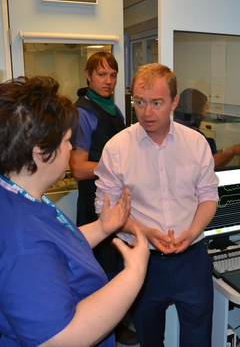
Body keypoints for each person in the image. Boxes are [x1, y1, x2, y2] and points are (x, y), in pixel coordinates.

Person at [0, 76, 149, 346]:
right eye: (67, 141)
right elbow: (60, 338)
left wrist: (101, 227)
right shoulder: (22, 242)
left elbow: (54, 251)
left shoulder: (17, 197)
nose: (70, 148)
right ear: (40, 150)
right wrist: (135, 271)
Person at [94, 63, 219, 347]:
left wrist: (192, 231)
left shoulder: (196, 143)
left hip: (193, 261)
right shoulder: (116, 149)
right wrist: (145, 232)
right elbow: (105, 210)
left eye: (157, 103)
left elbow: (209, 195)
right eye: (139, 102)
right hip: (143, 262)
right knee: (149, 341)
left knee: (199, 341)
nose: (147, 112)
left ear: (174, 102)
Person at [69, 52, 136, 344]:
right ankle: (104, 328)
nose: (108, 81)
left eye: (113, 75)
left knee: (119, 263)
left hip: (115, 202)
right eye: (101, 75)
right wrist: (116, 168)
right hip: (95, 205)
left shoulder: (114, 110)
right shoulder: (83, 113)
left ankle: (118, 321)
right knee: (102, 270)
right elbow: (78, 169)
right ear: (88, 75)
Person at [174, 87, 240, 168]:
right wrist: (233, 151)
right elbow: (212, 163)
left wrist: (225, 151)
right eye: (202, 111)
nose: (204, 115)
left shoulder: (174, 126)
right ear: (195, 111)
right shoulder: (193, 135)